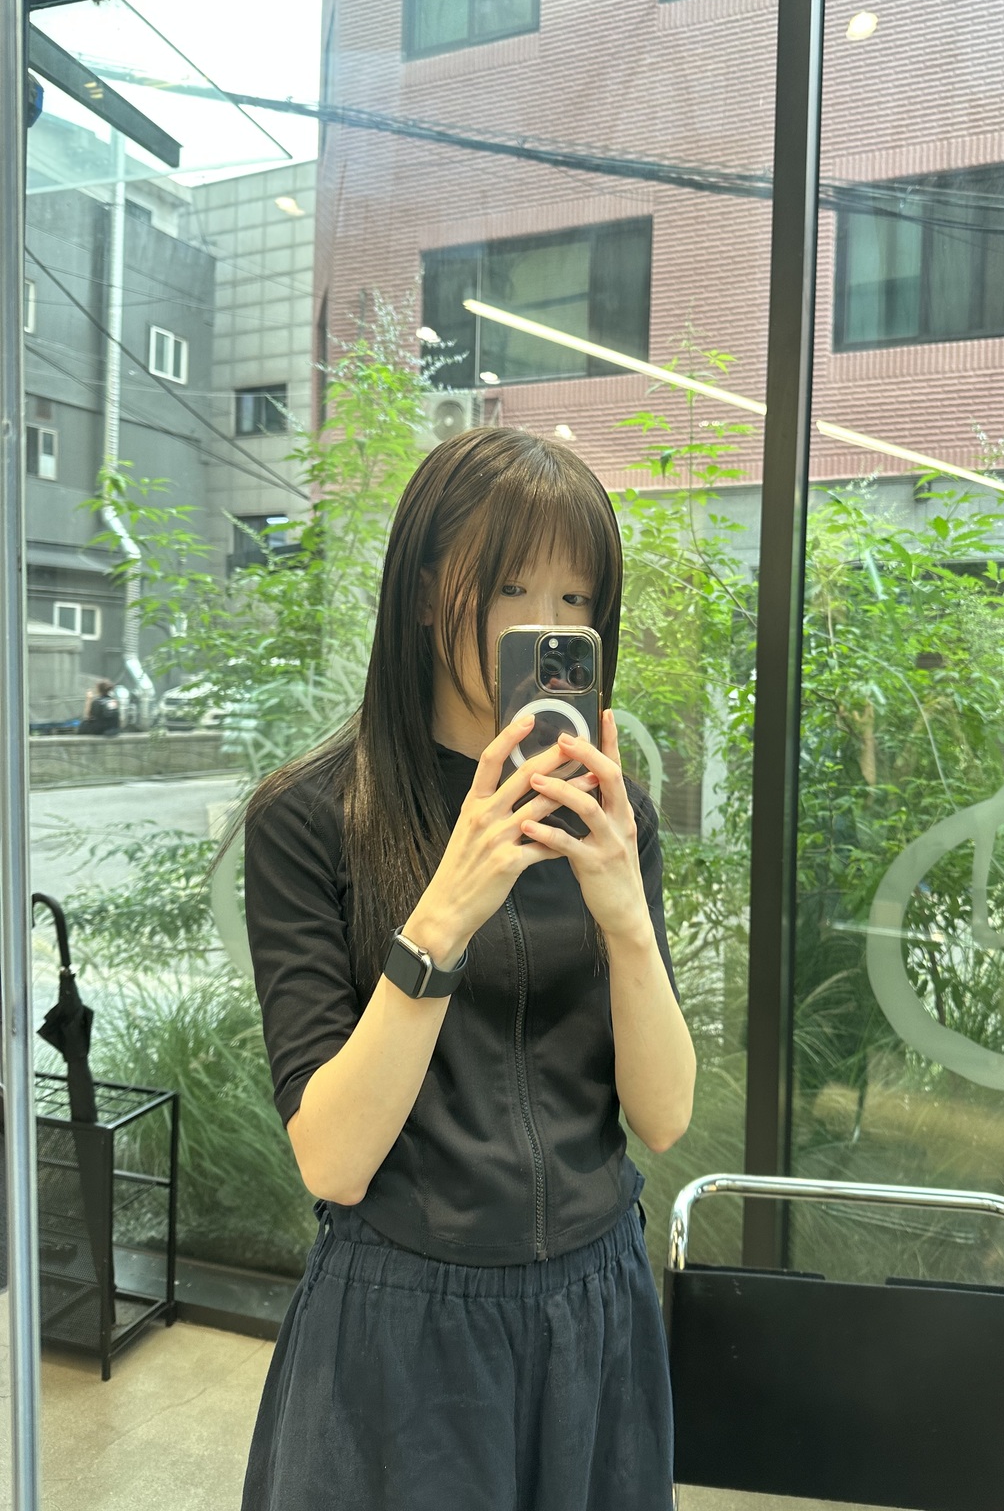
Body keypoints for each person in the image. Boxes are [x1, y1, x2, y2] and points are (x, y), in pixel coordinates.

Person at [234, 427, 696, 1511]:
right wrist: (445, 912)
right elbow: (332, 1159)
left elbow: (664, 1117)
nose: (548, 624)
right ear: (426, 592)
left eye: (576, 600)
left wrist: (626, 917)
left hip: (595, 1303)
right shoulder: (312, 818)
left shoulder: (611, 818)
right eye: (512, 588)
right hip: (402, 1323)